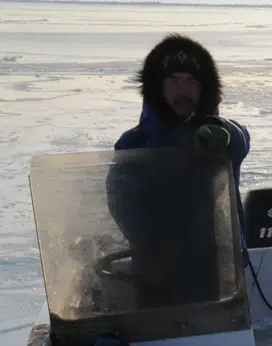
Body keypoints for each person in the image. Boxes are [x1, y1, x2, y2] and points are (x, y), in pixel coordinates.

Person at [106, 35, 251, 307]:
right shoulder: (134, 143)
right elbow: (121, 205)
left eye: (191, 82)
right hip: (157, 272)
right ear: (158, 88)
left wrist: (224, 131)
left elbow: (241, 141)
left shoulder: (218, 136)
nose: (182, 90)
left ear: (203, 89)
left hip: (218, 267)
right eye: (173, 81)